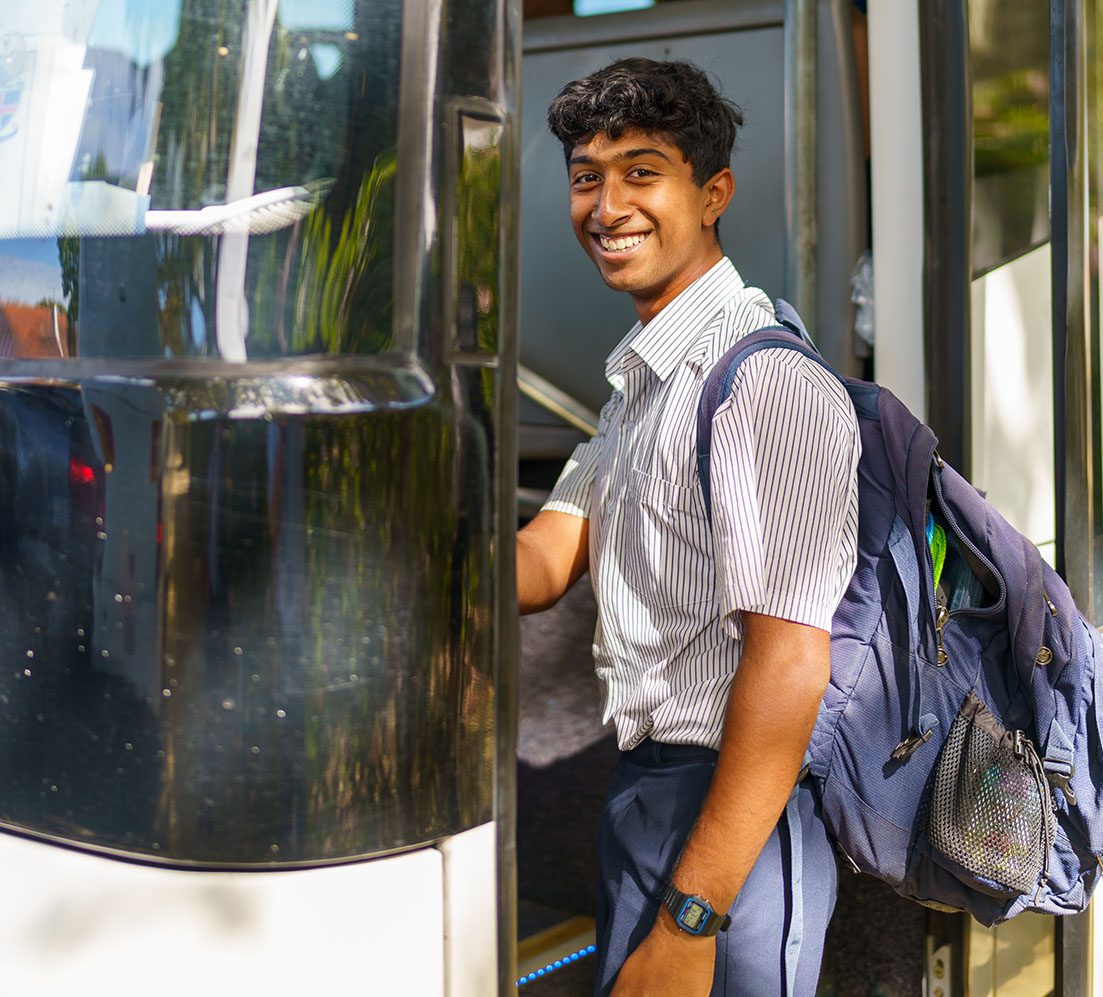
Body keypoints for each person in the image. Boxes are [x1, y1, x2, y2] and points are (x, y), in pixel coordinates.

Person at [516, 58, 861, 996]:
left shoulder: (761, 384)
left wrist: (692, 918)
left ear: (712, 194)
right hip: (646, 790)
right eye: (586, 176)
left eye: (640, 170)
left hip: (734, 816)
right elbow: (545, 558)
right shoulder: (642, 378)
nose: (606, 203)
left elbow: (789, 663)